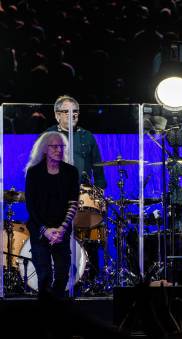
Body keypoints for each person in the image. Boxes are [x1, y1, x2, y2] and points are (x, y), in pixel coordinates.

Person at [45, 95, 106, 291]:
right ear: (57, 115)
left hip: (82, 195)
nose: (73, 116)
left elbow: (98, 167)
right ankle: (58, 283)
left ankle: (92, 281)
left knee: (90, 238)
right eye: (67, 112)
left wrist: (100, 193)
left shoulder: (87, 136)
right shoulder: (48, 136)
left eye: (76, 112)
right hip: (56, 196)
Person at [24, 131, 80, 297]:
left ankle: (58, 312)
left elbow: (73, 203)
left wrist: (62, 229)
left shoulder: (71, 172)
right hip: (40, 229)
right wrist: (45, 230)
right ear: (45, 149)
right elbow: (31, 207)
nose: (58, 150)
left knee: (62, 275)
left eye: (61, 146)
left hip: (61, 230)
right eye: (54, 146)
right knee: (44, 276)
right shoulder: (34, 172)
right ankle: (45, 314)